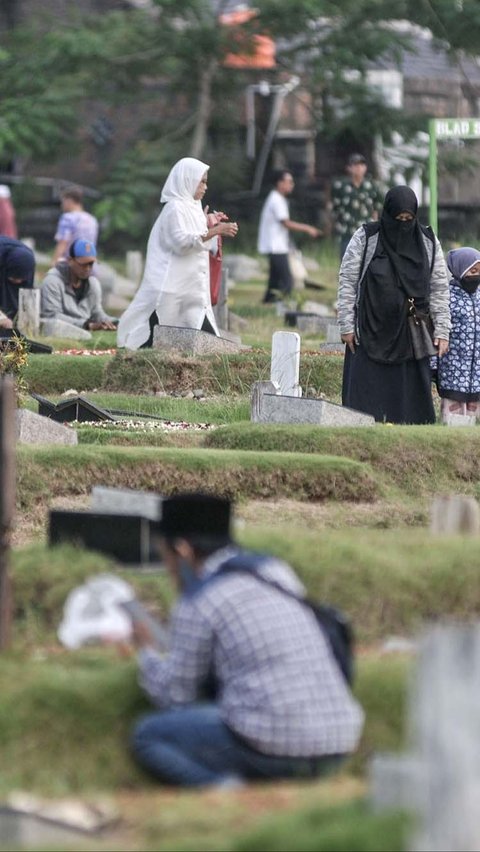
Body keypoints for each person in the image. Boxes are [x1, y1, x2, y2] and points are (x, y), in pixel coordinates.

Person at [129, 493, 364, 788]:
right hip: (340, 740)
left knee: (148, 735)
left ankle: (225, 789)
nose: (168, 568)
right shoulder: (273, 570)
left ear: (182, 550)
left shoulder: (199, 600)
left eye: (164, 555)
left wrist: (146, 650)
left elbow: (175, 697)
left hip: (278, 745)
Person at [337, 185, 450, 424]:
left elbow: (439, 286)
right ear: (387, 215)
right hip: (370, 330)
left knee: (410, 400)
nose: (403, 225)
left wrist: (442, 330)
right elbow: (348, 280)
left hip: (410, 331)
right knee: (365, 401)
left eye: (409, 219)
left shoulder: (427, 242)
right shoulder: (367, 237)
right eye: (398, 219)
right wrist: (347, 325)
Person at [117, 158, 238, 350]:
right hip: (170, 291)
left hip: (193, 291)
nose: (205, 187)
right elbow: (182, 243)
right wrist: (215, 231)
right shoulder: (174, 208)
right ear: (188, 180)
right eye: (202, 181)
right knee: (156, 341)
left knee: (204, 341)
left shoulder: (194, 207)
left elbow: (200, 240)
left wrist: (209, 223)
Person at [258, 170, 321, 304]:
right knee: (287, 280)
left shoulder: (278, 198)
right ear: (280, 183)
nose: (292, 185)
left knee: (274, 280)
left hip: (277, 244)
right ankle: (283, 305)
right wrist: (308, 228)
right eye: (289, 182)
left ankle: (267, 303)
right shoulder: (276, 199)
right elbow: (285, 223)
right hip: (275, 246)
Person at [435, 247, 480, 421]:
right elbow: (437, 330)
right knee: (453, 411)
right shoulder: (447, 297)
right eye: (473, 271)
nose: (476, 276)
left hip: (476, 372)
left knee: (473, 412)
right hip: (452, 369)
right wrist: (433, 364)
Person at [40, 239, 116, 331]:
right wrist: (87, 325)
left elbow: (96, 312)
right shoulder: (52, 281)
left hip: (85, 329)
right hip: (60, 333)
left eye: (91, 264)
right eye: (83, 264)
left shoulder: (93, 283)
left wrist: (114, 322)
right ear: (70, 260)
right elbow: (52, 316)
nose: (87, 268)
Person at [331, 153, 384, 260]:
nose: (358, 168)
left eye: (361, 165)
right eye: (355, 165)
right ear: (349, 168)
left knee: (367, 267)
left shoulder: (372, 187)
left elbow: (376, 209)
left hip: (366, 233)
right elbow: (335, 209)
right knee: (347, 267)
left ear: (365, 168)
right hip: (347, 232)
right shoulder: (340, 186)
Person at [52, 186, 99, 264]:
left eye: (63, 201)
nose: (62, 205)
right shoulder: (92, 219)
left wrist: (54, 262)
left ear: (69, 200)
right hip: (89, 263)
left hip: (71, 264)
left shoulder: (68, 218)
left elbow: (63, 242)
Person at [0, 236, 35, 330]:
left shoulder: (28, 260)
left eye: (21, 279)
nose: (18, 281)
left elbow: (27, 295)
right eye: (15, 277)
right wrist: (1, 318)